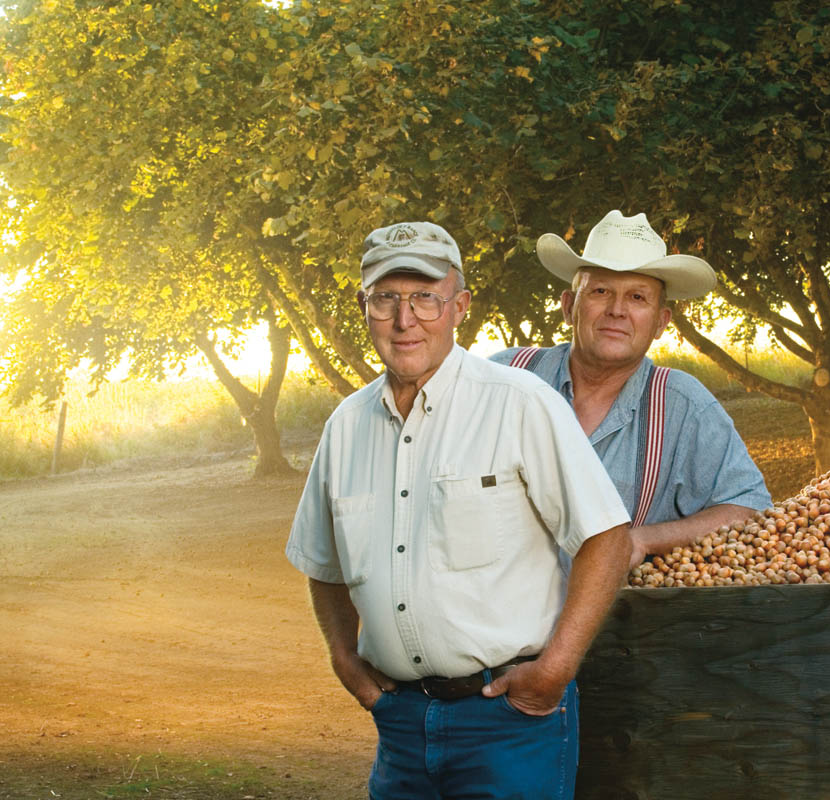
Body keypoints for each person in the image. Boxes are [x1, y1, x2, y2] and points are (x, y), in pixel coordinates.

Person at [286, 221, 633, 799]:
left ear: (459, 306)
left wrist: (555, 671)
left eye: (425, 297)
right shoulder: (345, 426)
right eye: (386, 299)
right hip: (399, 725)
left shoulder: (518, 404)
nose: (405, 319)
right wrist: (345, 659)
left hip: (510, 723)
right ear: (363, 306)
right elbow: (322, 563)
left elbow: (607, 537)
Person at [491, 210, 771, 570]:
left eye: (638, 297)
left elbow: (749, 508)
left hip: (616, 622)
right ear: (568, 306)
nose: (617, 310)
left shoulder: (683, 406)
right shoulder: (504, 376)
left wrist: (643, 539)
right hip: (491, 617)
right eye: (600, 291)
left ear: (660, 322)